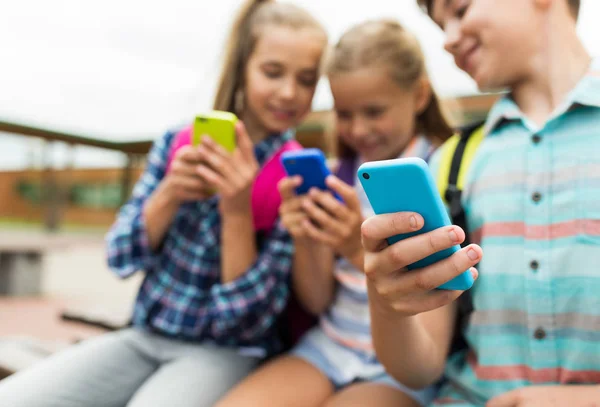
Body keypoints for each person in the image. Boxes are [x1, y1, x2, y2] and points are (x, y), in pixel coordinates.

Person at [0, 1, 327, 406]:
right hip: (143, 337)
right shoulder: (177, 143)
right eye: (272, 72)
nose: (289, 92)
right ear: (243, 65)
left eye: (307, 79)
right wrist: (170, 192)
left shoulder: (295, 177)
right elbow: (120, 256)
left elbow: (244, 323)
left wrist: (236, 211)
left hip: (225, 354)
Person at [363, 0, 600, 405]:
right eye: (440, 27)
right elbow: (419, 369)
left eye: (460, 9)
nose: (448, 40)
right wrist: (387, 307)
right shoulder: (449, 164)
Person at [217, 20, 453, 407]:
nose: (358, 129)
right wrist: (307, 238)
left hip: (396, 366)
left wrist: (352, 247)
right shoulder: (336, 175)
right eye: (345, 114)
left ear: (419, 95)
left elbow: (432, 300)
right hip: (327, 346)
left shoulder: (443, 174)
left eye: (374, 112)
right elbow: (315, 300)